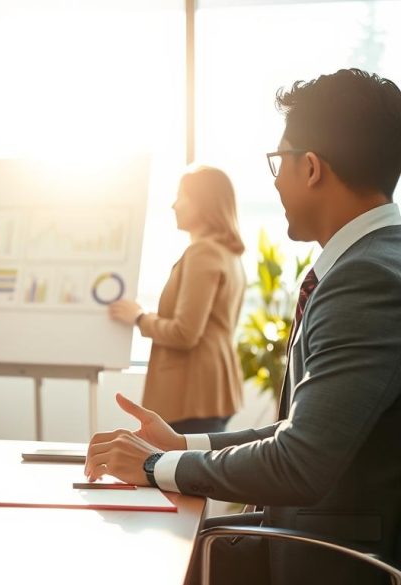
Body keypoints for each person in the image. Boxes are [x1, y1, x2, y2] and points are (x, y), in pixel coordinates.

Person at [85, 69, 401, 585]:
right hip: (308, 538)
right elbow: (306, 431)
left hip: (332, 561)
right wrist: (181, 447)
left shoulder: (364, 278)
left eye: (279, 162)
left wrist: (152, 466)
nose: (275, 180)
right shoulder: (372, 261)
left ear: (313, 168)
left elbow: (299, 461)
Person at [108, 166, 246, 434]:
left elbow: (185, 333)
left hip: (192, 394)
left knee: (183, 472)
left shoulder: (203, 253)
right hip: (214, 389)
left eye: (181, 196)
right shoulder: (227, 254)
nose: (174, 205)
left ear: (203, 204)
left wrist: (139, 317)